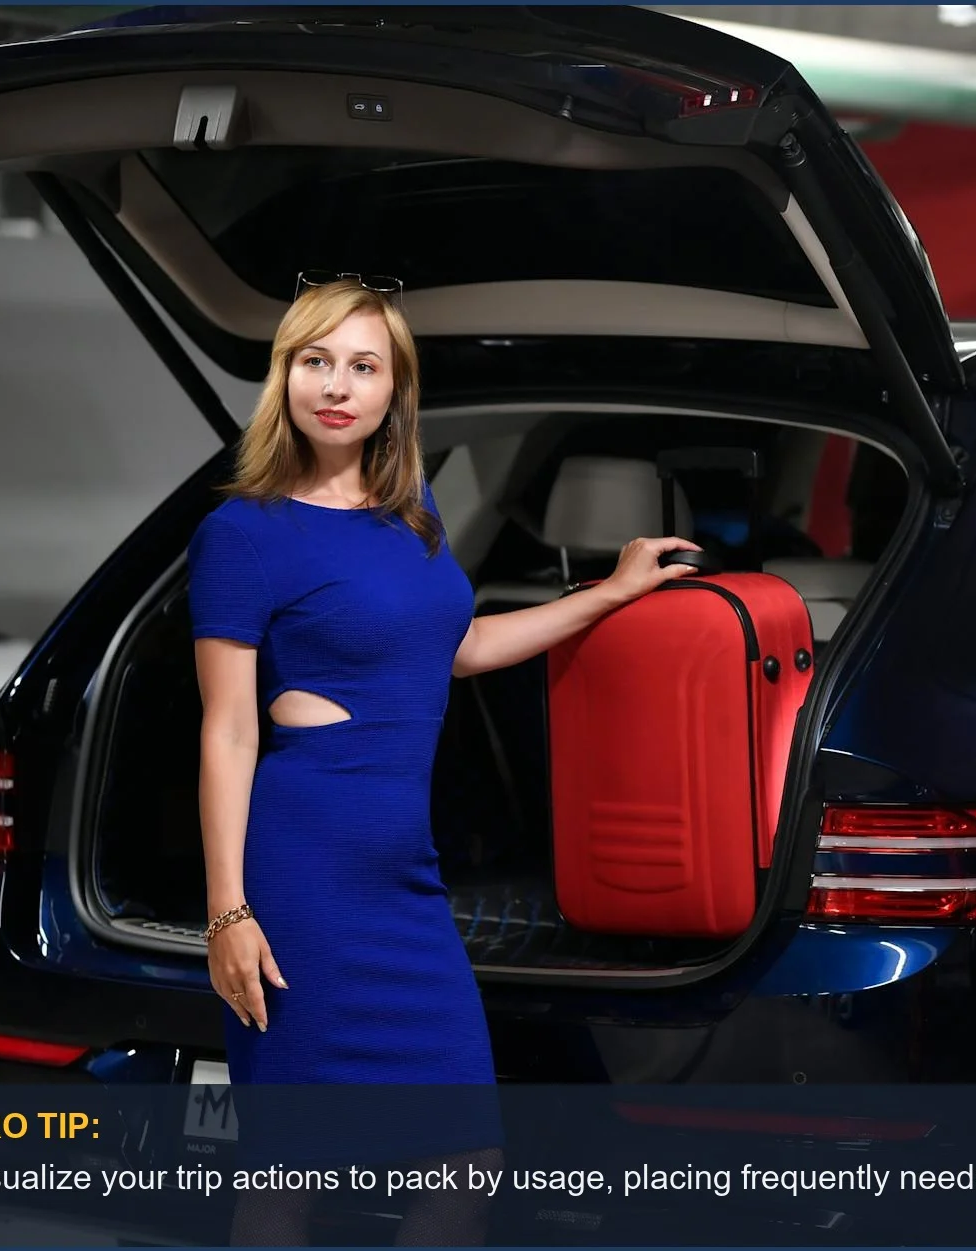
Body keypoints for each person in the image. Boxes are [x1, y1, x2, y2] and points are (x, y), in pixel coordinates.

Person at [186, 275, 701, 1244]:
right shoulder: (243, 531)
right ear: (284, 375)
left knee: (463, 1154)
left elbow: (456, 651)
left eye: (362, 366)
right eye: (315, 361)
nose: (335, 385)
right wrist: (228, 912)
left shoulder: (408, 511)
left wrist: (608, 593)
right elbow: (228, 730)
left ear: (394, 391)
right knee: (289, 1172)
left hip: (403, 878)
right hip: (304, 871)